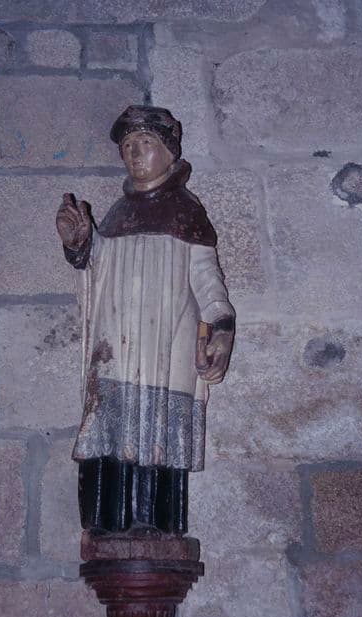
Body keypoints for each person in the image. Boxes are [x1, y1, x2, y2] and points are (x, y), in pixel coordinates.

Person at [56, 105, 234, 536]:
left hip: (165, 347)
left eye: (146, 142)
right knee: (109, 422)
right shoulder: (117, 214)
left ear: (170, 152)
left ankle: (157, 526)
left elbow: (208, 281)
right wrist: (80, 242)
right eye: (128, 146)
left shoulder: (187, 212)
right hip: (116, 348)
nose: (135, 153)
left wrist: (221, 328)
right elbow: (96, 271)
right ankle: (107, 525)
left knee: (159, 430)